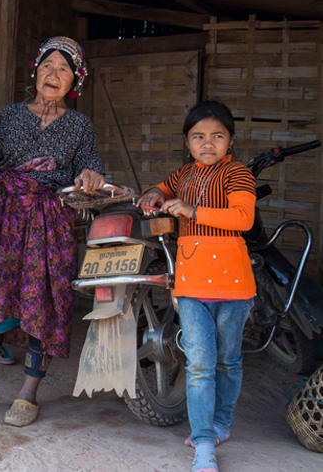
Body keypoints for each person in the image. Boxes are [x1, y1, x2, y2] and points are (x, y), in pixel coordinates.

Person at [0, 36, 104, 428]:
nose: (53, 74)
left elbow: (91, 170)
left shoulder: (79, 126)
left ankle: (27, 394)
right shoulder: (10, 116)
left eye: (63, 68)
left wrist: (90, 175)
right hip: (4, 220)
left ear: (75, 80)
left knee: (45, 301)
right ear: (35, 70)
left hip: (50, 224)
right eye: (47, 65)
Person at [137, 101, 256, 472]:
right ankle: (204, 442)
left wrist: (192, 212)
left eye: (217, 136)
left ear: (230, 141)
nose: (208, 143)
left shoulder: (238, 174)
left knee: (228, 361)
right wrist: (155, 194)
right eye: (198, 136)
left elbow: (243, 217)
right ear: (187, 142)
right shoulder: (183, 175)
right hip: (191, 284)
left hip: (234, 286)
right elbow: (162, 186)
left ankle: (221, 424)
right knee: (201, 364)